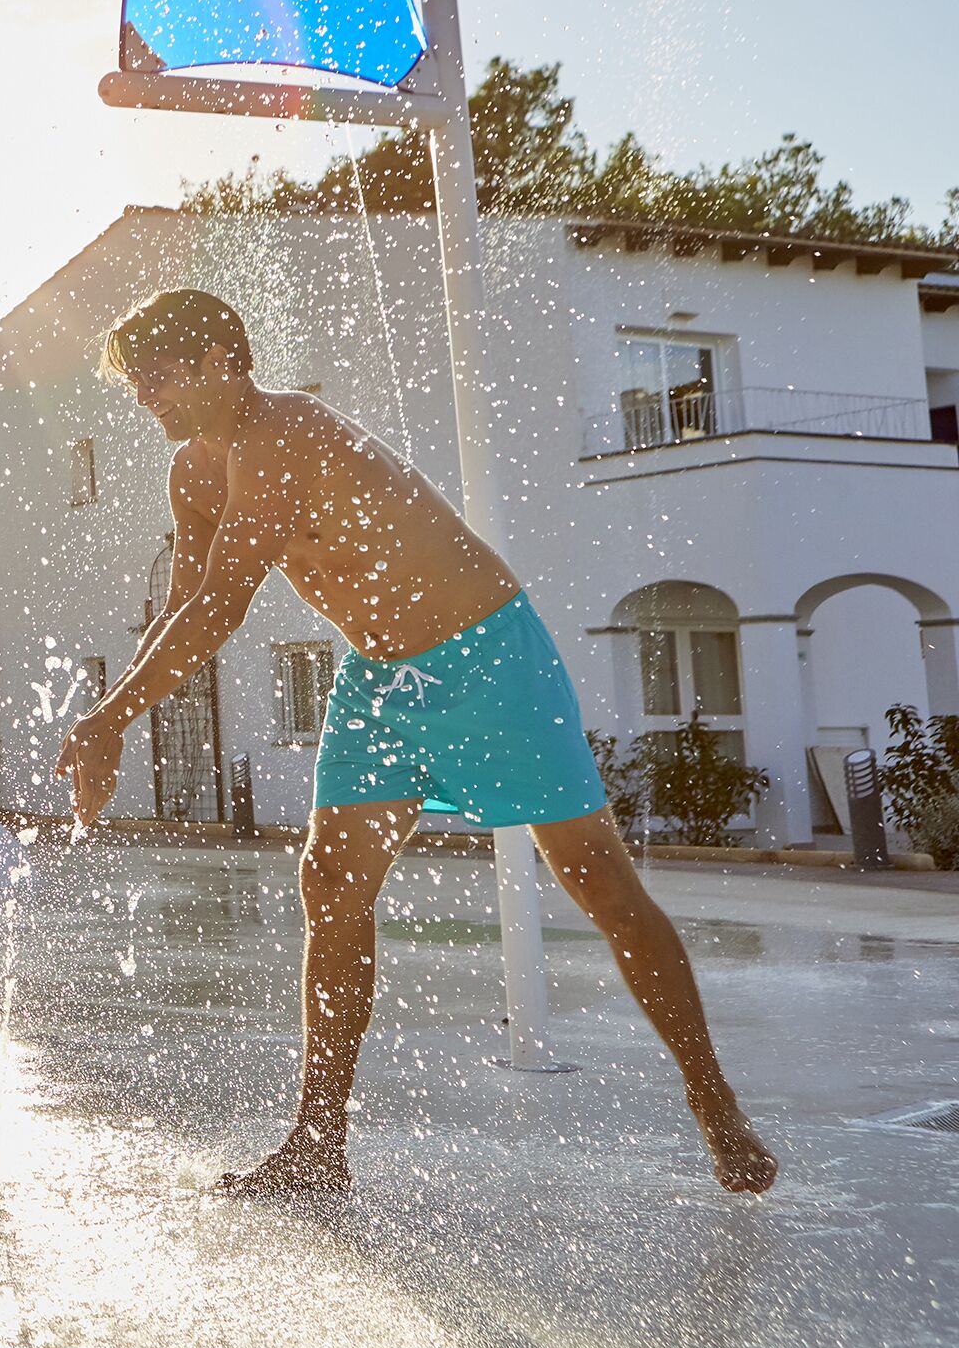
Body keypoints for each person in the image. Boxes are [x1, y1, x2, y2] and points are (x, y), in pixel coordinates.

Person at [55, 288, 776, 1198]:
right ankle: (318, 1147)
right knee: (328, 879)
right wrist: (111, 715)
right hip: (380, 678)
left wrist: (108, 720)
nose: (146, 402)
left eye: (158, 381)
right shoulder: (195, 473)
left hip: (485, 653)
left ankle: (714, 1104)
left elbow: (223, 608)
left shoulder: (285, 433)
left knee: (597, 879)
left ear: (217, 361)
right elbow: (183, 609)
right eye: (137, 389)